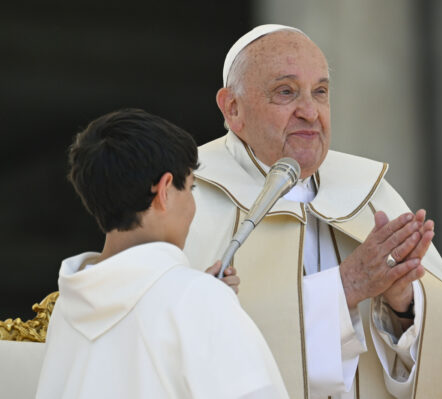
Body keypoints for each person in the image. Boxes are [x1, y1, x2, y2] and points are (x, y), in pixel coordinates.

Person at [184, 24, 442, 398]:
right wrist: (345, 287)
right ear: (233, 108)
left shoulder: (368, 193)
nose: (310, 112)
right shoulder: (189, 198)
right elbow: (193, 342)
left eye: (321, 92)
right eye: (286, 92)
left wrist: (402, 306)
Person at [35, 109, 288, 399]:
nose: (193, 204)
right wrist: (202, 298)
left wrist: (195, 292)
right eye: (191, 188)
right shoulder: (198, 301)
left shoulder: (67, 309)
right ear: (165, 189)